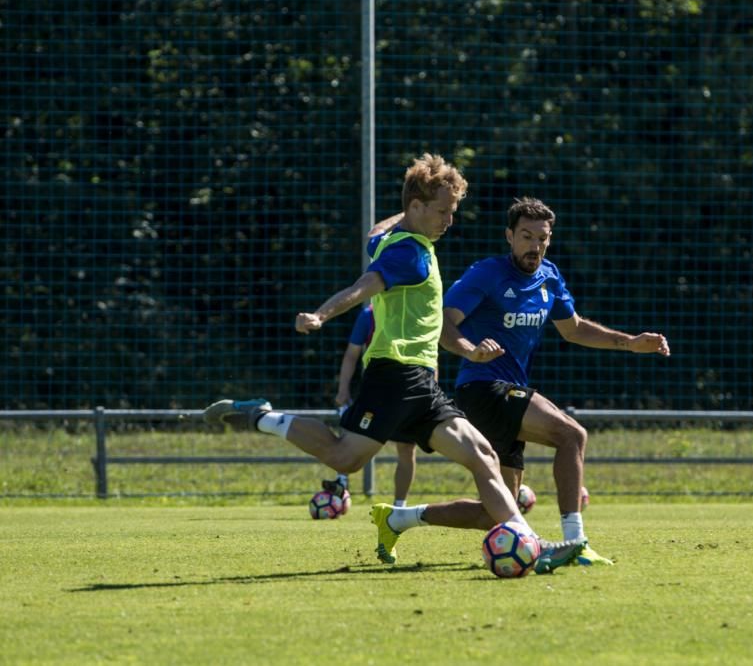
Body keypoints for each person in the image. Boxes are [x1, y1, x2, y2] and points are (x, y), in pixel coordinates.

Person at [203, 155, 582, 573]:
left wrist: (410, 210)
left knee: (483, 456)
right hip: (394, 375)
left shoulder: (391, 239)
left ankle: (529, 542)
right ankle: (262, 416)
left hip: (423, 382)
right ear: (417, 208)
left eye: (452, 212)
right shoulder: (410, 256)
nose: (449, 221)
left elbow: (374, 232)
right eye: (442, 211)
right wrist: (321, 315)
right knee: (345, 458)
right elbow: (362, 287)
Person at [378, 197, 670, 566]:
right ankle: (575, 543)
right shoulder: (488, 273)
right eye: (527, 237)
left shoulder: (550, 277)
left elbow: (575, 329)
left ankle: (397, 518)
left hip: (507, 393)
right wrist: (469, 349)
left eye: (542, 239)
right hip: (483, 388)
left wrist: (628, 343)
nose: (534, 246)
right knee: (571, 435)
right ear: (509, 236)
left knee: (497, 512)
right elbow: (443, 321)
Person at [333, 303, 417, 507]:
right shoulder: (368, 315)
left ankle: (399, 507)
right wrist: (343, 389)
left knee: (406, 448)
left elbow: (432, 358)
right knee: (350, 437)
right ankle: (340, 485)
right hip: (375, 392)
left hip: (408, 391)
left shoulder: (416, 311)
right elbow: (352, 355)